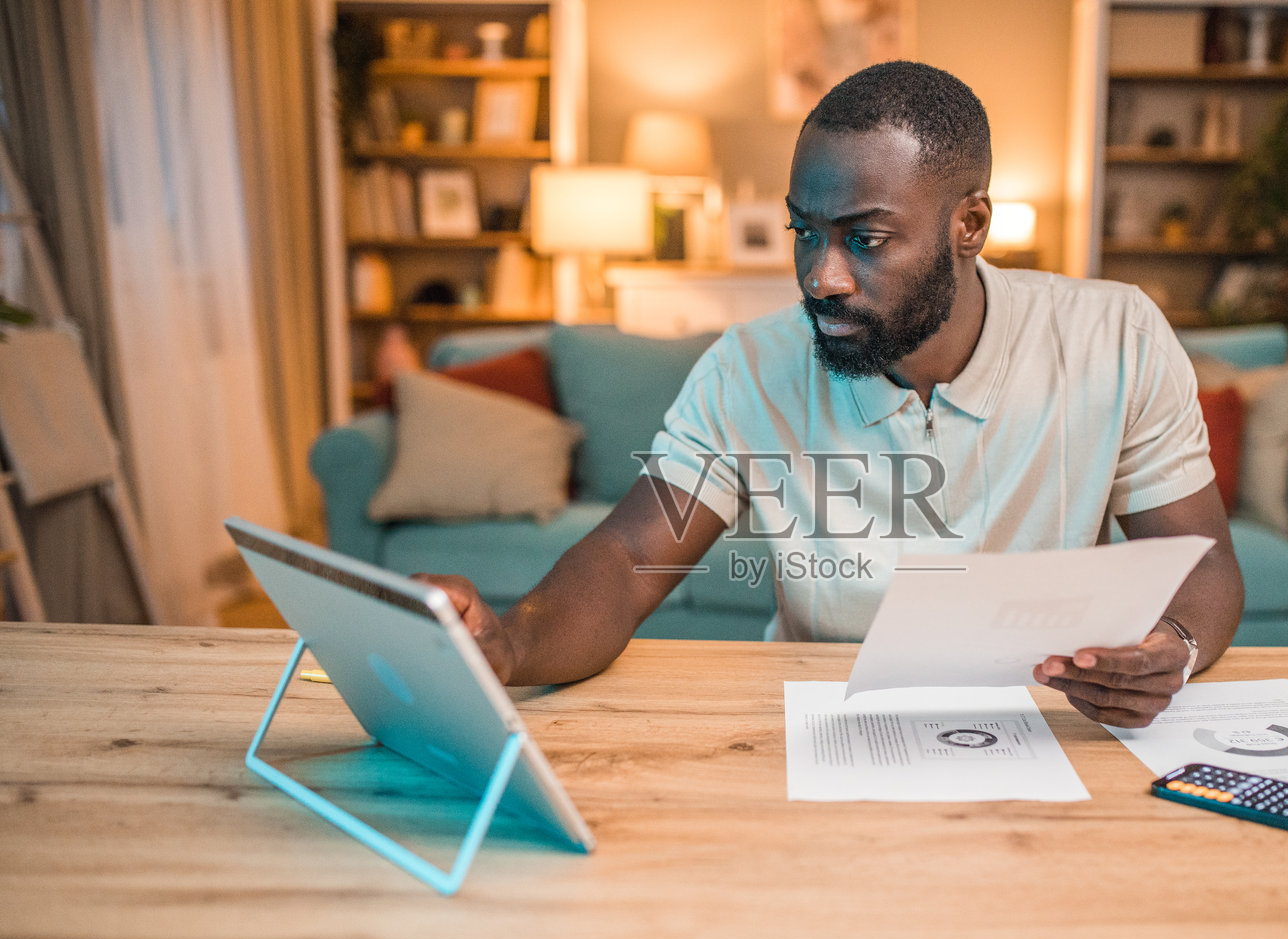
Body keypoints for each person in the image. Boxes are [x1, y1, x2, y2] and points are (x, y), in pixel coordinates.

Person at [423, 61, 1243, 729]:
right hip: (827, 730)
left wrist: (1169, 643)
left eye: (865, 238)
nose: (823, 274)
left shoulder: (1117, 338)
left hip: (1044, 726)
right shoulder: (749, 367)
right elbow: (623, 560)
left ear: (971, 224)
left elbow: (1204, 564)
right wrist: (510, 644)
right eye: (806, 231)